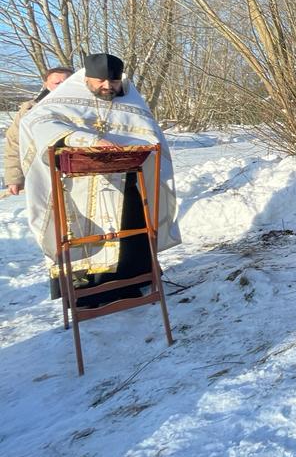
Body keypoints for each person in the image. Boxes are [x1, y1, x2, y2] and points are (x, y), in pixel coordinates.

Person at [19, 53, 180, 307]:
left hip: (126, 182)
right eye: (100, 82)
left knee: (130, 236)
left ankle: (134, 285)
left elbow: (151, 134)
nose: (108, 87)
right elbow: (37, 123)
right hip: (79, 186)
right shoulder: (63, 98)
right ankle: (90, 296)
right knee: (86, 238)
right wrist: (83, 139)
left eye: (113, 82)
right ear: (87, 78)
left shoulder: (131, 100)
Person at [4, 66, 73, 195]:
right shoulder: (30, 110)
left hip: (77, 172)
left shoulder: (86, 109)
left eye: (67, 82)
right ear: (46, 84)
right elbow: (14, 142)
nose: (62, 86)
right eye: (56, 83)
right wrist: (14, 178)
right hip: (40, 173)